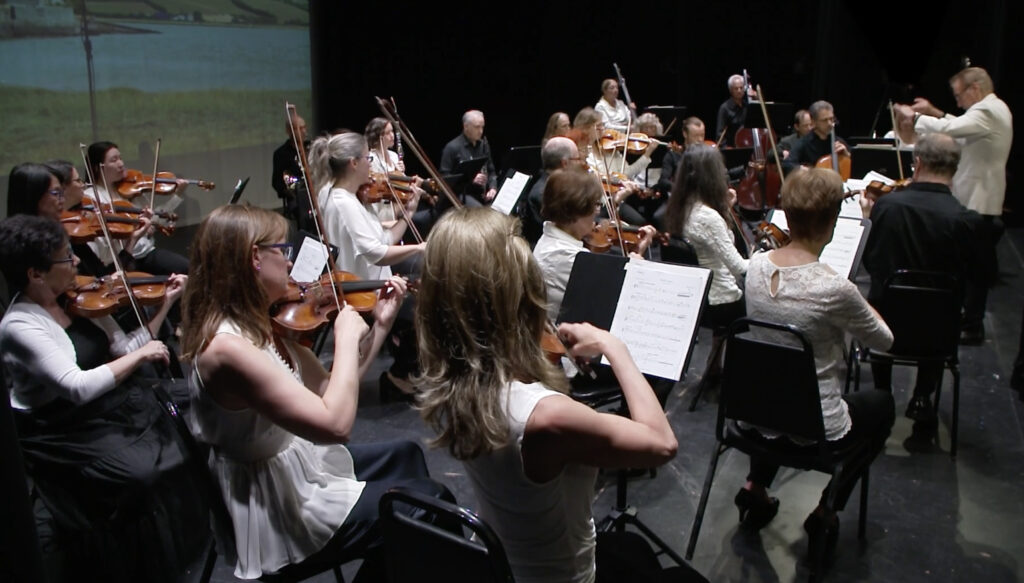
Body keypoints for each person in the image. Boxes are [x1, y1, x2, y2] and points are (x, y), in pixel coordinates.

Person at [416, 207, 705, 583]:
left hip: (505, 561)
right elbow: (662, 443)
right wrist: (613, 347)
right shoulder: (546, 417)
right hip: (562, 576)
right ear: (518, 301)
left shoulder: (449, 379)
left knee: (630, 548)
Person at [180, 204, 452, 580]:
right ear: (254, 258)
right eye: (283, 251)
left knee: (405, 456)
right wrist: (342, 337)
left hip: (296, 465)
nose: (291, 265)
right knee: (432, 504)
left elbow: (334, 385)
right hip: (277, 502)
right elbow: (335, 424)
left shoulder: (261, 322)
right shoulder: (228, 349)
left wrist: (381, 326)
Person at [0, 214, 205, 581]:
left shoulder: (77, 298)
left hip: (107, 405)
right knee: (143, 472)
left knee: (192, 420)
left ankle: (184, 542)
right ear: (35, 274)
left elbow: (126, 347)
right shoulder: (19, 326)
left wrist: (164, 306)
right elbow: (77, 387)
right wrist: (140, 357)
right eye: (67, 257)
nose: (77, 262)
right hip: (62, 428)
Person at [737, 167, 895, 561]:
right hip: (815, 427)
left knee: (779, 380)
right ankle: (827, 509)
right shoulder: (837, 288)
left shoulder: (755, 267)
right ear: (831, 223)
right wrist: (858, 301)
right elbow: (884, 340)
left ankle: (755, 488)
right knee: (882, 406)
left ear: (786, 216)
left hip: (752, 414)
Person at [861, 133, 995, 430]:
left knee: (882, 296)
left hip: (885, 330)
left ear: (917, 163)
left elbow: (872, 265)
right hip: (939, 336)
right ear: (955, 169)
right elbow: (980, 277)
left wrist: (868, 219)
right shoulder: (966, 220)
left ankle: (882, 393)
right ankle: (922, 397)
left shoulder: (887, 207)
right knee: (939, 308)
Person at [894, 66, 1013, 344]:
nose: (957, 101)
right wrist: (934, 113)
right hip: (979, 200)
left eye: (959, 95)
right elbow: (959, 126)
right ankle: (966, 320)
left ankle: (971, 325)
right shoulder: (991, 111)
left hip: (978, 202)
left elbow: (951, 129)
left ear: (974, 89)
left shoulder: (987, 111)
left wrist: (915, 118)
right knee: (971, 268)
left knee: (974, 271)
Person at [309, 131, 424, 400]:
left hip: (369, 279)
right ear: (353, 163)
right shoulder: (342, 201)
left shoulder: (339, 194)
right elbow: (376, 253)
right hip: (362, 288)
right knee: (425, 313)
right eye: (367, 158)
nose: (371, 165)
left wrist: (408, 214)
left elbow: (384, 239)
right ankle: (398, 374)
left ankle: (401, 369)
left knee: (419, 299)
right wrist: (420, 247)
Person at [664, 145, 748, 384]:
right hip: (722, 301)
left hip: (698, 297)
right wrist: (770, 259)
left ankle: (713, 365)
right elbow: (739, 267)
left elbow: (712, 245)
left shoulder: (681, 207)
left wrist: (726, 209)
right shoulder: (708, 217)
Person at [533, 169, 655, 321]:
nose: (598, 212)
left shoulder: (551, 240)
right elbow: (617, 301)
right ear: (577, 209)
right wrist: (636, 268)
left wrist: (637, 252)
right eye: (596, 204)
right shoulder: (567, 256)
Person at [83, 141, 190, 277]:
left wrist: (177, 196)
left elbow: (155, 218)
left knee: (188, 268)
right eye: (114, 160)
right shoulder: (92, 197)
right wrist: (136, 230)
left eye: (120, 158)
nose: (121, 164)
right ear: (98, 167)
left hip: (144, 254)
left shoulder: (130, 191)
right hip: (120, 261)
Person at [518, 137, 581, 248]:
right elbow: (569, 229)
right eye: (577, 159)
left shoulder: (557, 186)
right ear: (565, 163)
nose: (580, 163)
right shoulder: (546, 194)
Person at [439, 109, 497, 206]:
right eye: (477, 127)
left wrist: (492, 188)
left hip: (481, 195)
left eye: (482, 127)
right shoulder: (452, 147)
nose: (481, 131)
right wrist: (471, 180)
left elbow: (491, 171)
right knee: (481, 212)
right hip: (460, 195)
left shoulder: (483, 145)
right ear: (466, 126)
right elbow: (445, 179)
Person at [782, 100, 849, 174]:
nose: (830, 123)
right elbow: (787, 164)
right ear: (813, 122)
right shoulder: (804, 143)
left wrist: (848, 155)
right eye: (824, 120)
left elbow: (857, 164)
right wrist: (803, 170)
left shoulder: (838, 142)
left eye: (831, 119)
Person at [271, 109, 307, 220]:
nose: (304, 131)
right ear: (289, 130)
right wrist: (293, 192)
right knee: (303, 212)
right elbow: (277, 182)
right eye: (299, 129)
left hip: (317, 193)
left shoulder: (312, 147)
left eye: (305, 127)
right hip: (297, 198)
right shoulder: (281, 154)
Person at [715, 74, 751, 147]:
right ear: (731, 90)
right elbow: (720, 134)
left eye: (741, 88)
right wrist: (727, 149)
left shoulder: (748, 106)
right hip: (732, 147)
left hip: (748, 146)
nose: (739, 91)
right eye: (736, 88)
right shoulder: (725, 108)